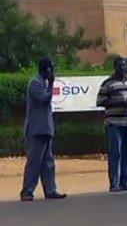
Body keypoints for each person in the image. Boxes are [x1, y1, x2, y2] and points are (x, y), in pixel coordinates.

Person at [20, 56, 67, 201]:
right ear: (46, 69)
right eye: (51, 68)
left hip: (45, 128)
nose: (53, 71)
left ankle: (50, 190)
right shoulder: (35, 83)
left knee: (48, 161)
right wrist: (52, 83)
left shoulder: (44, 82)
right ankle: (27, 191)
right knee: (34, 161)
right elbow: (44, 99)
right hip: (36, 129)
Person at [97, 57, 127, 192]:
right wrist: (119, 103)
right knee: (116, 153)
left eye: (125, 65)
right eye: (120, 65)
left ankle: (125, 182)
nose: (123, 68)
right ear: (115, 67)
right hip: (114, 122)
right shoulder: (108, 83)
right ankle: (114, 184)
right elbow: (100, 101)